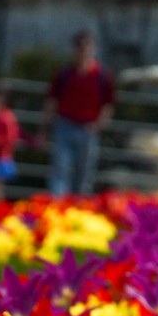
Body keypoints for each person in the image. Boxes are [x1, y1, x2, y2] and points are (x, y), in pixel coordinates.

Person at [42, 30, 115, 196]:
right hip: (65, 125)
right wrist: (45, 128)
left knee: (83, 176)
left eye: (86, 47)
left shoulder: (102, 75)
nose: (83, 51)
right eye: (80, 47)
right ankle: (58, 207)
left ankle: (78, 209)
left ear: (93, 49)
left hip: (88, 129)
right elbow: (52, 101)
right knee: (60, 171)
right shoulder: (65, 73)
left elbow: (108, 104)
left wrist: (99, 124)